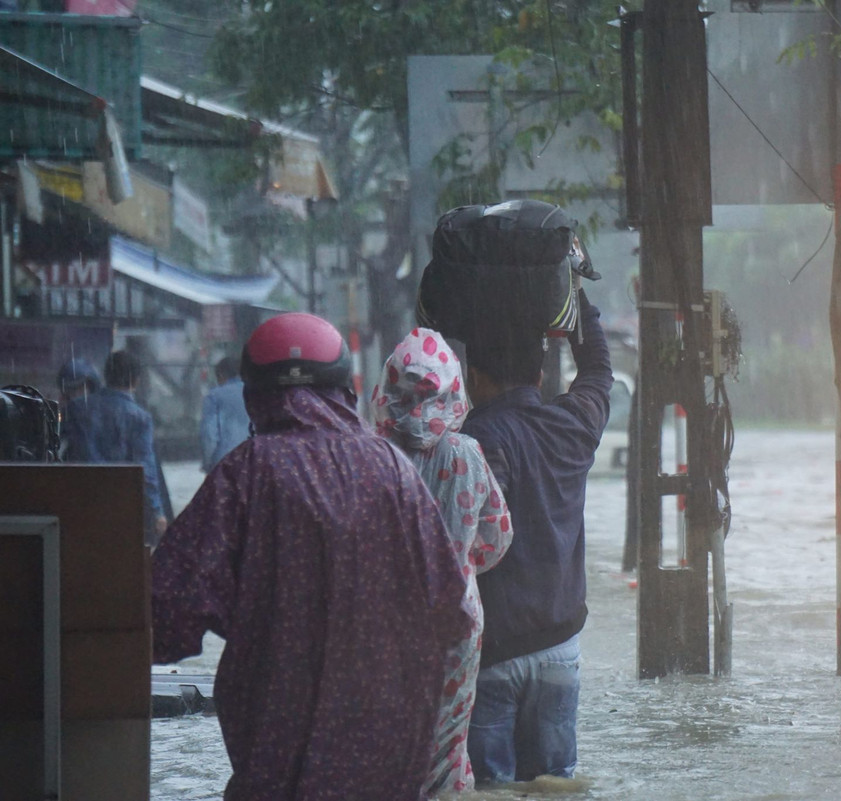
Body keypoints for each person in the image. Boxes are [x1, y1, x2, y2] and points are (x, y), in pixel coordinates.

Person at [152, 312, 470, 801]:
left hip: (276, 745)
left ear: (254, 398)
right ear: (346, 393)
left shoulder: (244, 475)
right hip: (387, 745)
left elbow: (166, 614)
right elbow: (452, 610)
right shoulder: (394, 471)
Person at [463, 289, 612, 783]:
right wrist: (577, 300)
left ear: (472, 378)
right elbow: (597, 373)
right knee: (556, 787)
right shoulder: (573, 426)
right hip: (560, 652)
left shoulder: (472, 444)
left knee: (488, 791)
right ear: (540, 374)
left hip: (493, 657)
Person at [373, 327, 513, 796]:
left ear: (388, 389)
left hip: (384, 620)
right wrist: (460, 561)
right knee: (448, 743)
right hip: (456, 616)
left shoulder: (369, 458)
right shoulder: (466, 454)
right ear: (454, 389)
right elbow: (497, 537)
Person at [88, 351, 167, 546]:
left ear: (106, 375)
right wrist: (157, 511)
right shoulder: (140, 417)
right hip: (123, 500)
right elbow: (145, 468)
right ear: (135, 380)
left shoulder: (82, 408)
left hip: (85, 497)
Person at [199, 355, 251, 473]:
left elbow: (209, 435)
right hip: (254, 459)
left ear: (221, 375)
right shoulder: (256, 393)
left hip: (225, 462)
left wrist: (208, 463)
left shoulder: (214, 396)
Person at [56, 357, 101, 462]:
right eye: (69, 390)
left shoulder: (102, 418)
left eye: (79, 389)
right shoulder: (66, 419)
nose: (74, 396)